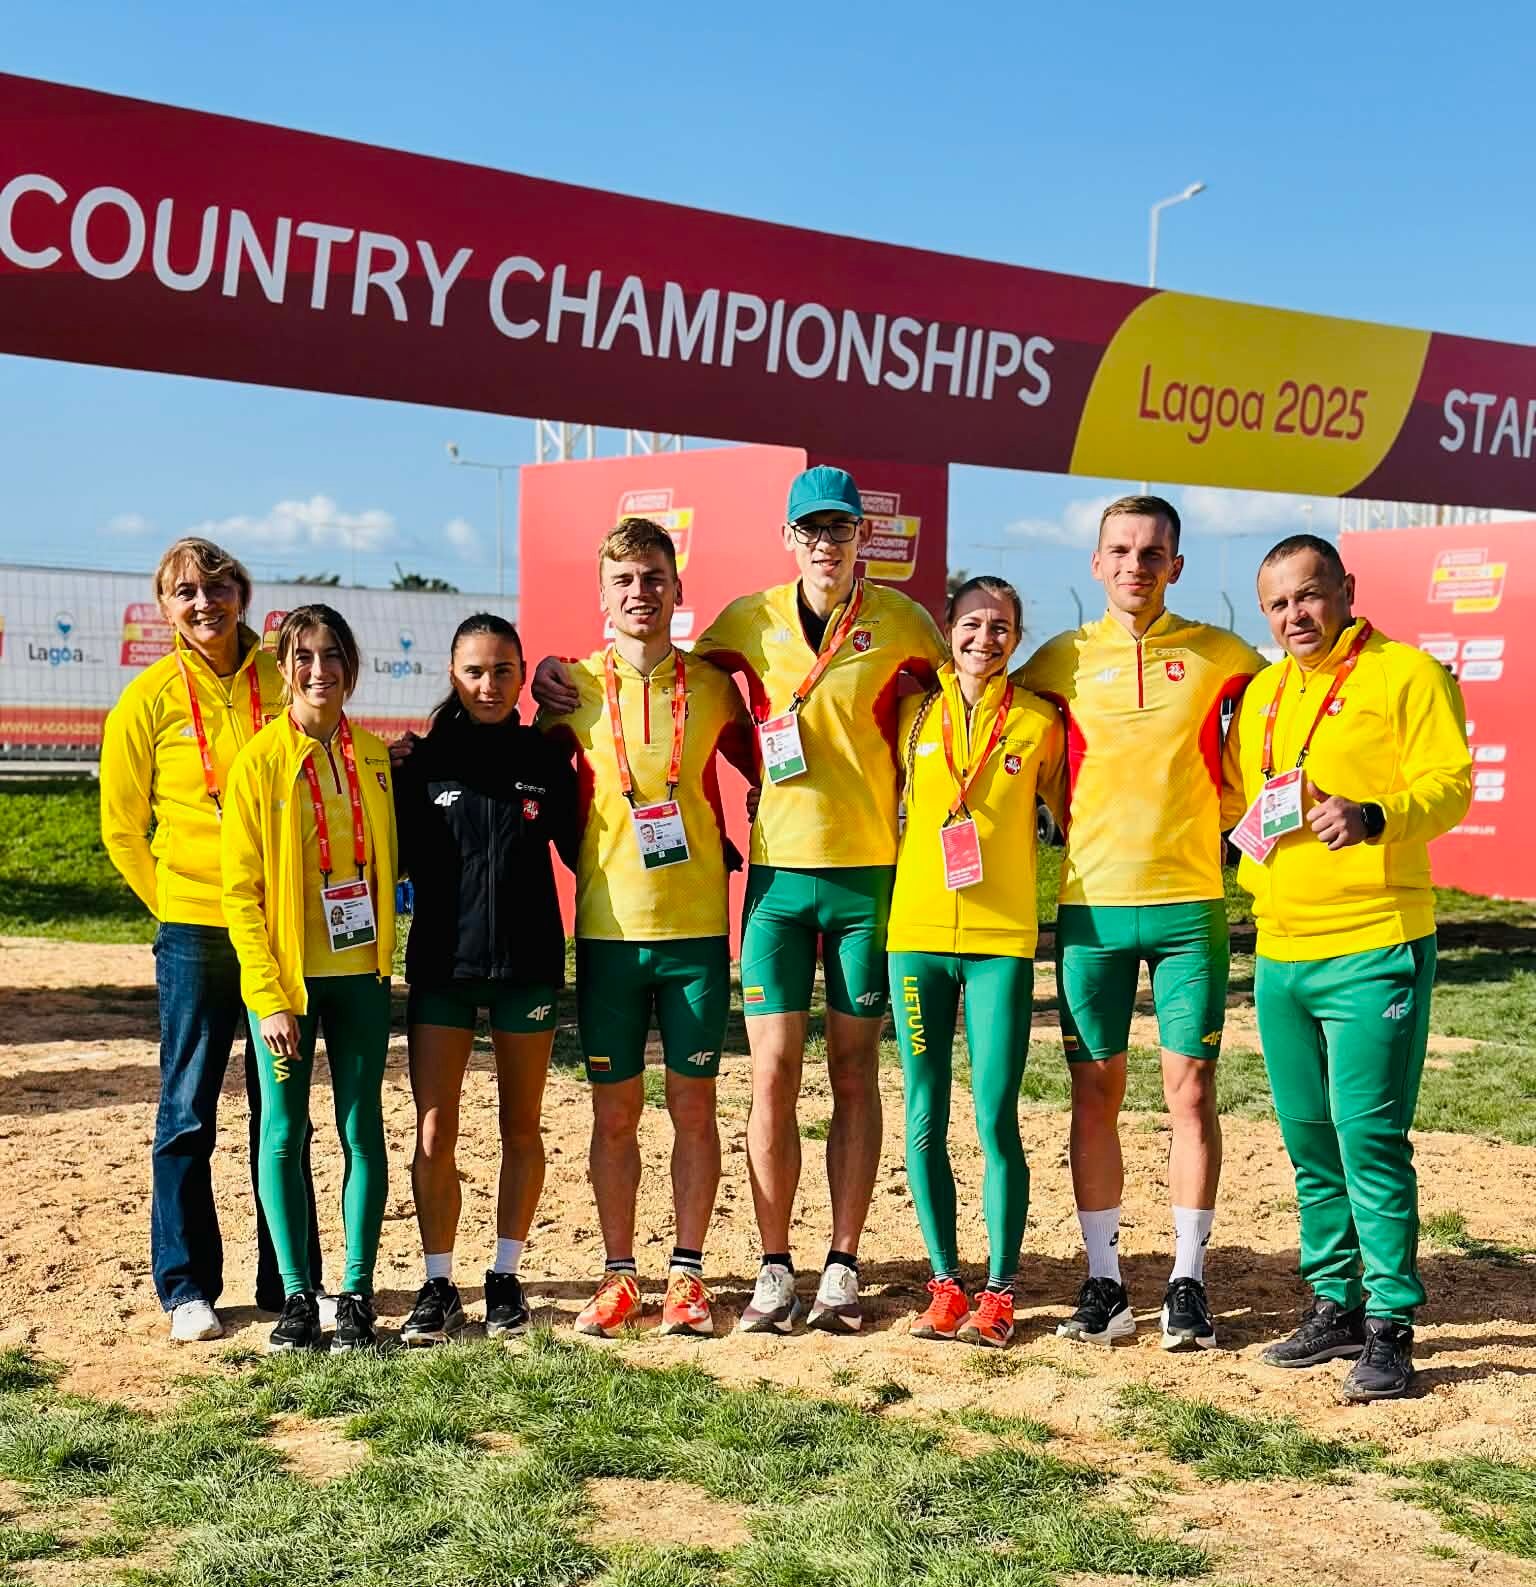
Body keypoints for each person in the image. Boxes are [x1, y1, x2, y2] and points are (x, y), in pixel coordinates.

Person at [538, 466, 947, 1334]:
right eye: (811, 529)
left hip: (866, 879)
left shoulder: (906, 624)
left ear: (861, 536)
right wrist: (540, 676)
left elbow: (956, 714)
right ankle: (771, 1264)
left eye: (840, 527)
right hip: (772, 888)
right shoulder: (740, 629)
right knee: (770, 1074)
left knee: (853, 1071)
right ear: (788, 537)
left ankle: (842, 1263)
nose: (826, 543)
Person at [1224, 534, 1470, 1401]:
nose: (1295, 614)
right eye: (1278, 603)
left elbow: (1452, 783)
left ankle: (1391, 1323)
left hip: (1374, 940)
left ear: (1346, 589)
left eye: (1309, 594)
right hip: (1281, 948)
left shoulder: (1406, 674)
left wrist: (1373, 814)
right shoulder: (1263, 692)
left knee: (1369, 1139)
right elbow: (1249, 795)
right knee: (1309, 1141)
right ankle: (1335, 1302)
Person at [1022, 495, 1264, 1351]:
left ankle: (1188, 1281)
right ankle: (1105, 1282)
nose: (1136, 565)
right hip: (1089, 909)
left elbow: (1284, 713)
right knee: (1094, 1093)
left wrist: (1225, 815)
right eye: (1120, 550)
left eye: (1153, 552)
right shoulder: (1055, 660)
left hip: (1189, 907)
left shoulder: (1223, 654)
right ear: (1096, 563)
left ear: (1177, 565)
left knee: (1190, 1092)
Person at [538, 518, 757, 1338]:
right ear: (602, 595)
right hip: (607, 933)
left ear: (677, 587)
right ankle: (620, 1273)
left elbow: (775, 770)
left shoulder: (714, 688)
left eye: (655, 577)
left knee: (694, 1106)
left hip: (697, 932)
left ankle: (688, 1275)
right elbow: (523, 776)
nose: (641, 592)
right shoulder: (571, 689)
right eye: (624, 580)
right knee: (615, 1113)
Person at [100, 536, 320, 1343]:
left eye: (218, 588)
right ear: (165, 606)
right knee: (188, 1107)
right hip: (195, 926)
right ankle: (186, 1285)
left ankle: (288, 1280)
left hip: (280, 923)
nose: (204, 603)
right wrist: (178, 908)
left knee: (282, 1106)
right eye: (186, 592)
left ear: (242, 595)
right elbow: (122, 830)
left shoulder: (283, 673)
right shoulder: (147, 699)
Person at [391, 614, 577, 1346]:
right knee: (435, 1130)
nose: (489, 684)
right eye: (475, 671)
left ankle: (504, 1275)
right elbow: (385, 857)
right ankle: (438, 1282)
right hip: (443, 968)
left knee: (520, 1125)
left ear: (522, 674)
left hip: (526, 968)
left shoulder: (545, 758)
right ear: (453, 674)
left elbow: (583, 846)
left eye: (503, 670)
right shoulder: (421, 763)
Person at [890, 577, 1064, 1348]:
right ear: (948, 629)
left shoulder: (1038, 721)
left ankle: (999, 1290)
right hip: (916, 936)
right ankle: (944, 1283)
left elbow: (1077, 808)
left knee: (995, 1113)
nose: (983, 639)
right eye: (971, 623)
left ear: (1017, 639)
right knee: (924, 1109)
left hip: (1001, 942)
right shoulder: (911, 714)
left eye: (1000, 627)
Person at [222, 605, 399, 1353]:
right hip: (288, 988)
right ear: (284, 667)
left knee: (363, 1129)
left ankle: (355, 1294)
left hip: (361, 976)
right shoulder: (259, 761)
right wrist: (267, 998)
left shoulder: (375, 758)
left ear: (351, 665)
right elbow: (240, 894)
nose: (319, 670)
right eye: (304, 656)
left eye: (332, 655)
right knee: (284, 1132)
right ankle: (297, 1296)